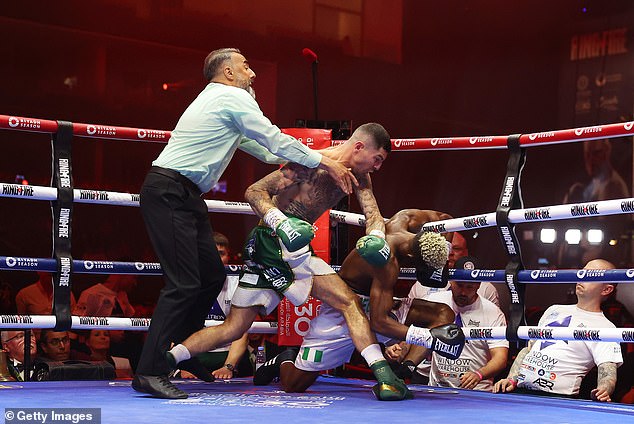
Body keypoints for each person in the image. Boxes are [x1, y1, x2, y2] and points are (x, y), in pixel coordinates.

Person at [168, 124, 458, 401]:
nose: (377, 167)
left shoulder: (361, 176)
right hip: (273, 240)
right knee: (344, 303)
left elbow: (372, 215)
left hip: (290, 248)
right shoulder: (309, 162)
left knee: (237, 327)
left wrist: (376, 238)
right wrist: (282, 223)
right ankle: (384, 376)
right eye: (377, 159)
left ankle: (167, 358)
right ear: (359, 147)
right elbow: (254, 192)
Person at [133, 47, 357, 399]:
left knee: (210, 277)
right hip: (168, 192)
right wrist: (326, 163)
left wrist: (330, 155)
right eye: (246, 67)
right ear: (228, 73)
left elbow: (269, 152)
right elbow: (273, 138)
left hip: (186, 196)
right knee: (183, 284)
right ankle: (149, 371)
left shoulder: (223, 105)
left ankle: (185, 352)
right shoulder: (230, 98)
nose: (253, 74)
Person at [252, 209, 464, 395]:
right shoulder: (386, 262)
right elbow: (378, 323)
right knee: (294, 384)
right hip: (344, 310)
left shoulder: (405, 218)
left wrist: (442, 248)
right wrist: (427, 338)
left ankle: (405, 369)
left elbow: (445, 218)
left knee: (441, 315)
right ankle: (286, 358)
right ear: (410, 253)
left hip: (380, 303)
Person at [493, 259, 623, 401]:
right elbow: (529, 349)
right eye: (583, 271)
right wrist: (511, 379)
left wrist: (603, 390)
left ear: (606, 289)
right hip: (520, 391)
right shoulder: (554, 309)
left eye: (591, 274)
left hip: (558, 398)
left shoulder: (605, 327)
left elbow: (608, 369)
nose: (582, 277)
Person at [423, 260, 508, 391]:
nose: (463, 292)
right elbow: (415, 334)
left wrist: (479, 374)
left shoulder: (493, 313)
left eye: (469, 287)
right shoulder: (435, 302)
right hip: (438, 389)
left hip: (477, 392)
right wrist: (398, 347)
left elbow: (500, 357)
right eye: (459, 285)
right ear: (451, 281)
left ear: (478, 285)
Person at [190, 232, 252, 380]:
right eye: (212, 253)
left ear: (227, 256)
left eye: (221, 253)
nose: (217, 259)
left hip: (229, 354)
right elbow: (176, 329)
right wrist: (184, 364)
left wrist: (228, 366)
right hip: (195, 353)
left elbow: (242, 332)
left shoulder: (237, 284)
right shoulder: (189, 284)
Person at [408, 232, 499, 306]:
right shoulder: (423, 282)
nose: (450, 253)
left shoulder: (486, 288)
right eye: (446, 248)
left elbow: (493, 318)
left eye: (456, 248)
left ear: (465, 252)